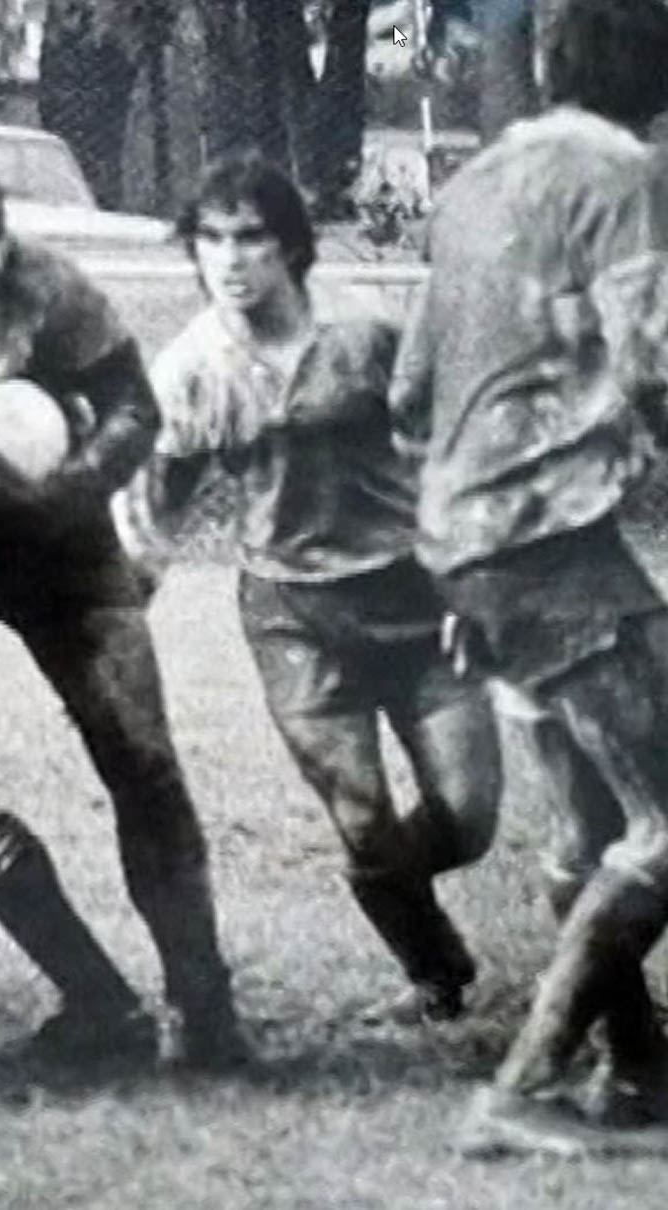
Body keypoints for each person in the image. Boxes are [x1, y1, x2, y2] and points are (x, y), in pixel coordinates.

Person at [0, 150, 250, 1069]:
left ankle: (205, 1007)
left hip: (57, 531)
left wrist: (76, 480)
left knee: (141, 754)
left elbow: (133, 407)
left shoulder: (50, 287)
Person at [129, 152, 502, 1025]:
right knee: (364, 818)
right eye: (211, 239)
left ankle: (389, 895)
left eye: (251, 237)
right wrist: (125, 592)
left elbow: (450, 446)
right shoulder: (191, 368)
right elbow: (156, 505)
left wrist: (473, 569)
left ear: (291, 246)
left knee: (469, 817)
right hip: (293, 616)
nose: (229, 259)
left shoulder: (367, 332)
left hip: (414, 596)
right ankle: (435, 971)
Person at [388, 0, 668, 1157]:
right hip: (547, 537)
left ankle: (637, 1066)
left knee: (589, 817)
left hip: (465, 537)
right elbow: (651, 359)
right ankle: (521, 1086)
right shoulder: (626, 174)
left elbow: (409, 385)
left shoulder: (471, 183)